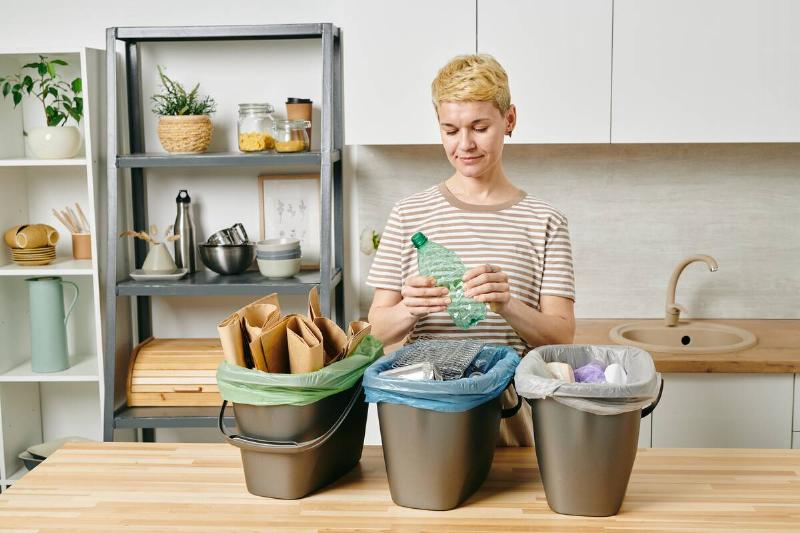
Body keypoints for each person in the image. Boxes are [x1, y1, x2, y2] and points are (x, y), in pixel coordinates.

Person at [366, 54, 576, 446]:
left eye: (480, 127)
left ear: (509, 121)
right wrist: (409, 309)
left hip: (511, 414)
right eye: (450, 130)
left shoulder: (546, 221)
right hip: (425, 413)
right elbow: (373, 333)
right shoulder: (409, 214)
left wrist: (507, 304)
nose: (465, 145)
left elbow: (561, 335)